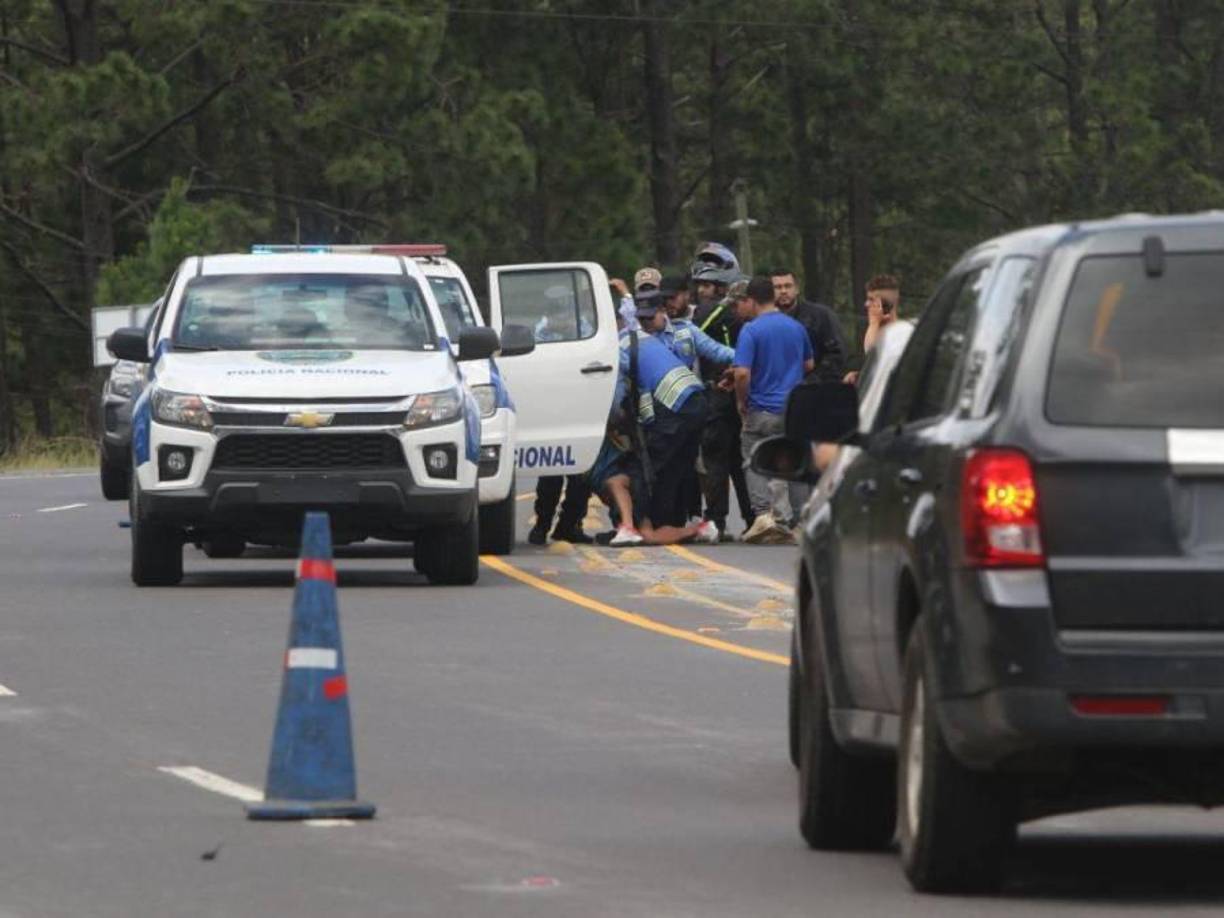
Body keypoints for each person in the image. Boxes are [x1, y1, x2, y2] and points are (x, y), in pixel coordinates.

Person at [617, 289, 715, 532]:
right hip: (697, 400)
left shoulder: (621, 345)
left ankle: (646, 523)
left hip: (677, 406)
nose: (648, 322)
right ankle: (673, 521)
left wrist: (617, 423)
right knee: (677, 466)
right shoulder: (648, 340)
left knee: (652, 465)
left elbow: (619, 394)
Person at [733, 275, 815, 544]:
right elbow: (809, 365)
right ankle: (801, 520)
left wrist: (742, 401)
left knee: (753, 457)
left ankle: (764, 515)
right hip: (795, 409)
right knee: (795, 462)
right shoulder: (795, 327)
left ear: (752, 301)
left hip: (763, 408)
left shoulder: (751, 331)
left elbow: (742, 373)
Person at [689, 246, 754, 539]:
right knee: (726, 459)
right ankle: (733, 519)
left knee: (726, 460)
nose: (702, 290)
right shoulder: (724, 310)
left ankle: (729, 519)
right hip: (724, 391)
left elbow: (695, 331)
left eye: (708, 285)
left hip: (727, 391)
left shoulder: (722, 310)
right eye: (700, 285)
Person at [769, 268, 847, 381]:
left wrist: (812, 380)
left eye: (788, 286)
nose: (783, 291)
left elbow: (837, 353)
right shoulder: (764, 321)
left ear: (797, 289)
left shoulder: (820, 316)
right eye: (778, 287)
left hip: (816, 389)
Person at [847, 274, 901, 384]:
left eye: (871, 300)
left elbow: (872, 355)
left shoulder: (900, 334)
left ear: (886, 306)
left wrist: (874, 323)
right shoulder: (876, 332)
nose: (866, 304)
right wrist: (859, 376)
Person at [611, 267, 662, 332]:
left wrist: (625, 293)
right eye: (643, 288)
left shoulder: (668, 309)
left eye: (652, 288)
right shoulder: (636, 308)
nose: (648, 292)